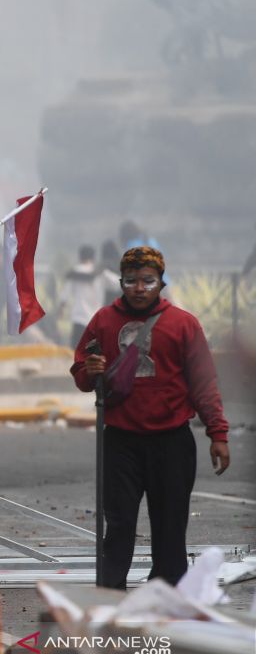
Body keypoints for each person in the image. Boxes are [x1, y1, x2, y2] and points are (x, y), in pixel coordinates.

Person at [71, 246, 230, 589]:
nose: (139, 288)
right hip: (120, 440)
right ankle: (109, 595)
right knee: (119, 524)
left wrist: (218, 433)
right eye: (131, 281)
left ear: (161, 282)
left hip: (172, 440)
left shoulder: (183, 324)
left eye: (147, 280)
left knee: (170, 527)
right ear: (121, 283)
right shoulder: (103, 321)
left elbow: (204, 383)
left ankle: (168, 597)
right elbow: (83, 376)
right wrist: (91, 369)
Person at [58, 245, 102, 349]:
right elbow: (116, 283)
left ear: (80, 257)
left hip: (79, 318)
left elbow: (65, 295)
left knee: (76, 351)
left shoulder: (74, 272)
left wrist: (61, 310)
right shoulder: (101, 272)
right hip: (96, 320)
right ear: (93, 257)